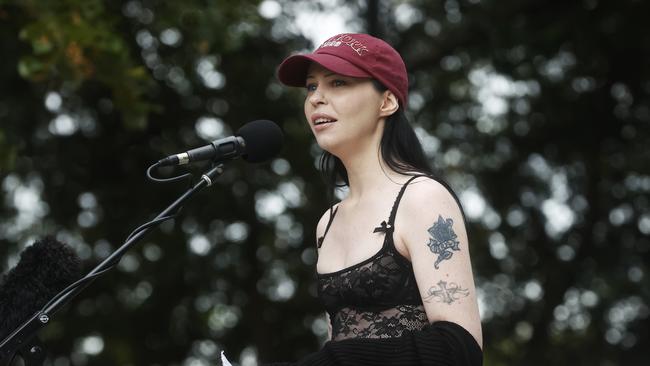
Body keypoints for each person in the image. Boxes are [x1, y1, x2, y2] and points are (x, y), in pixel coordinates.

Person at [268, 33, 482, 366]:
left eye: (337, 83)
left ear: (387, 102)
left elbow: (459, 350)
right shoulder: (328, 222)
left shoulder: (422, 198)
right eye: (311, 87)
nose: (316, 99)